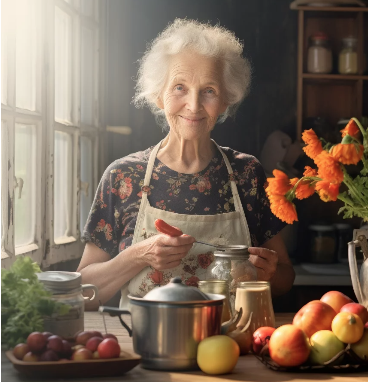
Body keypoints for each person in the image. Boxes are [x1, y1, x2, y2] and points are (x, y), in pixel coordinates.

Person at [77, 19, 294, 310]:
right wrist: (138, 255)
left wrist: (268, 273)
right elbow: (84, 293)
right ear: (158, 95)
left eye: (209, 91)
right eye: (179, 87)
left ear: (226, 99)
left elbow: (284, 280)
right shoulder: (123, 176)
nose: (193, 105)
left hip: (230, 349)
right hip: (147, 347)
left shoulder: (248, 174)